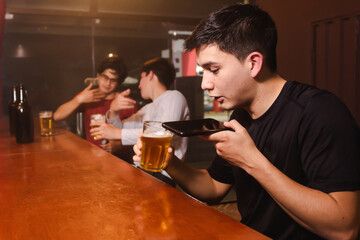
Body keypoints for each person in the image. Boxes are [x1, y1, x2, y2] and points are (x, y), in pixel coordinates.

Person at [133, 4, 360, 240]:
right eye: (204, 72)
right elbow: (213, 188)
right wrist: (170, 162)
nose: (205, 84)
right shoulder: (241, 116)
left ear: (253, 63)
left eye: (214, 70)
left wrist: (251, 160)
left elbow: (344, 228)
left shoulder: (320, 112)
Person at [90, 57, 190, 186]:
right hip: (140, 171)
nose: (139, 85)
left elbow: (166, 132)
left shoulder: (174, 97)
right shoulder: (147, 108)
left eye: (141, 78)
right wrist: (114, 111)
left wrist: (117, 133)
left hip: (161, 174)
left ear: (150, 75)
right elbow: (121, 127)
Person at [54, 55, 137, 158]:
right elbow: (57, 116)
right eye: (105, 77)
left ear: (119, 82)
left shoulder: (125, 102)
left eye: (113, 80)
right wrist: (79, 99)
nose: (108, 83)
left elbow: (137, 134)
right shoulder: (88, 96)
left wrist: (119, 144)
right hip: (91, 155)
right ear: (98, 76)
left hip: (120, 159)